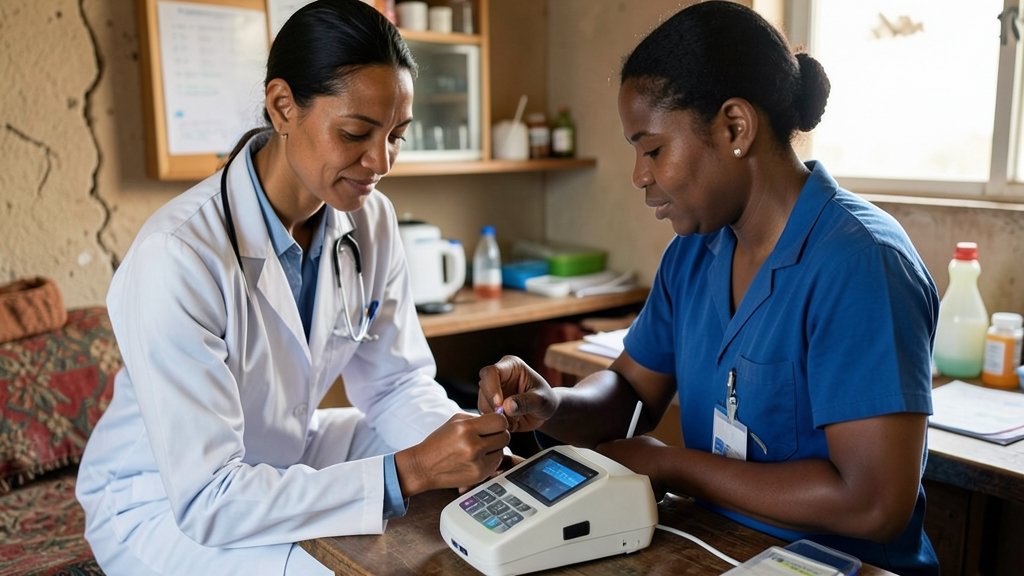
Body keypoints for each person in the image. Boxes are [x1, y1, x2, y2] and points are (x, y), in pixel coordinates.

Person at [478, 2, 939, 574]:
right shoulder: (695, 253)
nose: (639, 176)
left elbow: (873, 504)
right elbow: (629, 393)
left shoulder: (861, 263)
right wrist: (551, 405)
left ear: (734, 128)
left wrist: (675, 467)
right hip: (713, 547)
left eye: (652, 149)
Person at [76, 1, 509, 574]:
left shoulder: (371, 220)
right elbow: (209, 497)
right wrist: (413, 471)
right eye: (356, 133)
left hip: (283, 452)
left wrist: (469, 450)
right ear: (283, 106)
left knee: (444, 475)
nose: (380, 161)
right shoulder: (177, 256)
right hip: (167, 501)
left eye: (397, 136)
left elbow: (395, 385)